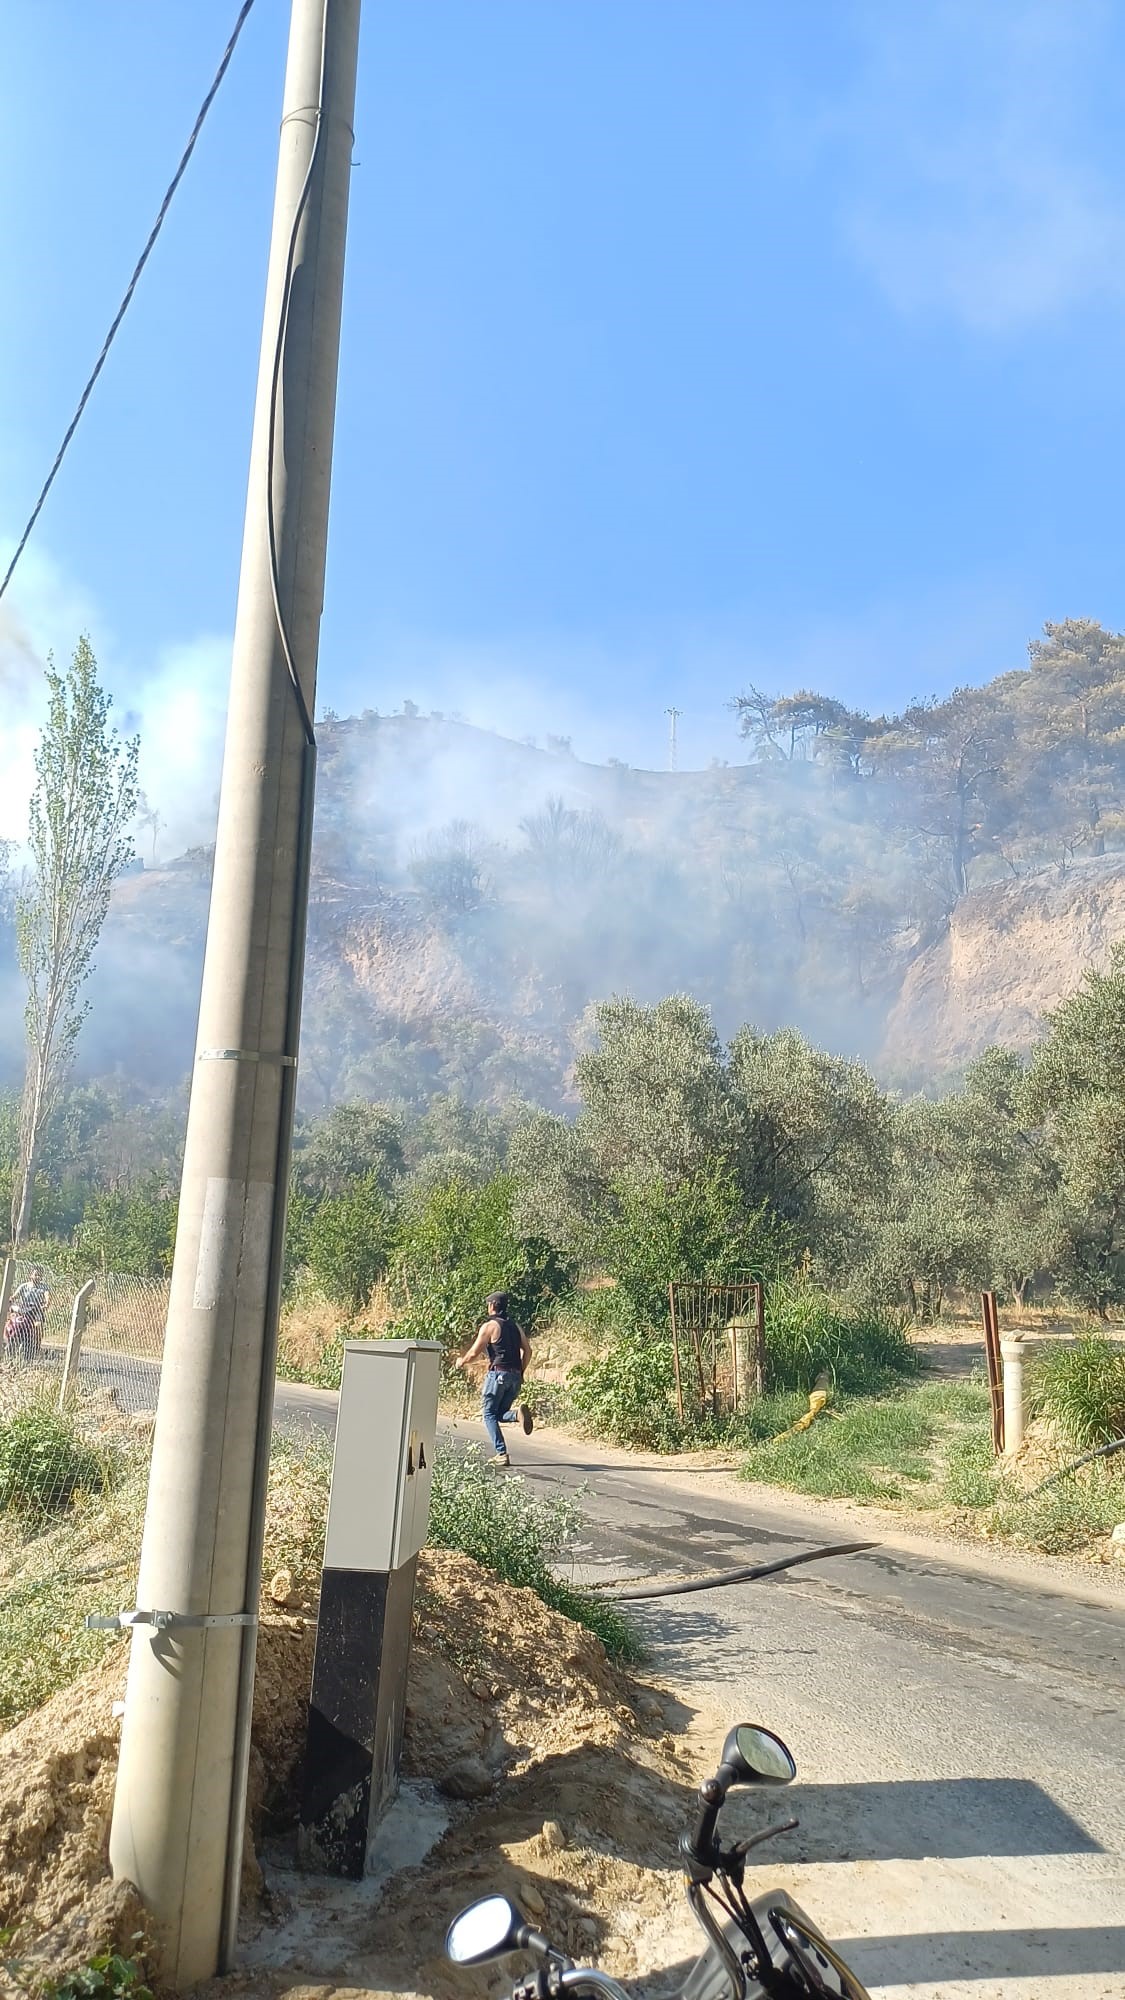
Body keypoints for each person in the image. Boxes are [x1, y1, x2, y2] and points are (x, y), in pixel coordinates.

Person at [453, 1291, 533, 1467]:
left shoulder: (490, 1326)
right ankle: (516, 1414)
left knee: (488, 1414)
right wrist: (520, 1372)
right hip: (514, 1376)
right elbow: (528, 1351)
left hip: (498, 1375)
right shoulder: (515, 1326)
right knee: (499, 1414)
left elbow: (474, 1352)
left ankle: (501, 1453)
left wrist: (461, 1362)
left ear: (492, 1306)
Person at [4, 1266, 51, 1363]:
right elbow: (15, 1296)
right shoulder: (24, 1286)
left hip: (37, 1311)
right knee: (13, 1324)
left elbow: (47, 1297)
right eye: (36, 1274)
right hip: (24, 1310)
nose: (37, 1277)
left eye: (39, 1275)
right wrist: (10, 1300)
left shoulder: (44, 1287)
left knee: (37, 1326)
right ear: (31, 1275)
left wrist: (46, 1304)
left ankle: (36, 1346)